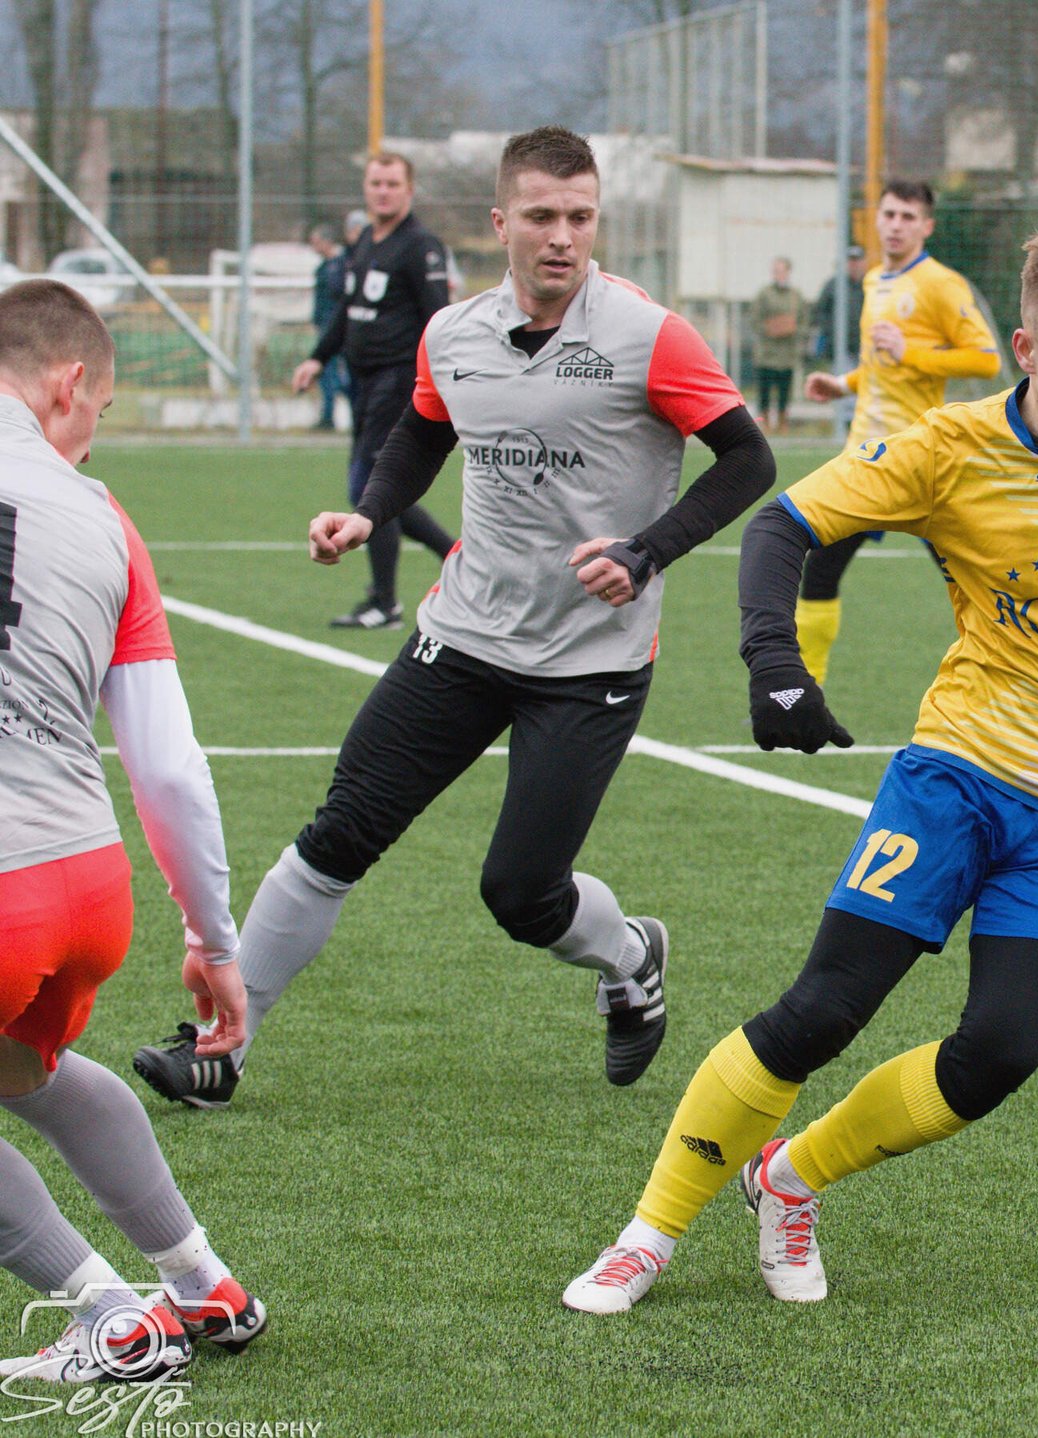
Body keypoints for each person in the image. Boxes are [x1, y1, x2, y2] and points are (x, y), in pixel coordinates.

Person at [561, 224, 1038, 1315]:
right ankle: (647, 1235)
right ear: (1025, 349)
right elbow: (781, 528)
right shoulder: (950, 447)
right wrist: (775, 668)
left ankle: (790, 1178)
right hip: (959, 776)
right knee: (821, 1012)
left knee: (999, 1052)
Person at [132, 126, 775, 1109]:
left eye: (581, 217)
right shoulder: (453, 335)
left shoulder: (649, 335)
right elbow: (421, 434)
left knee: (521, 893)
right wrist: (369, 512)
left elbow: (748, 459)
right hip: (462, 636)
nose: (562, 236)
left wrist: (647, 551)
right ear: (500, 221)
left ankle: (630, 954)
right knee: (339, 833)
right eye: (542, 216)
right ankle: (222, 1046)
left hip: (589, 663)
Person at [0, 280, 265, 1382]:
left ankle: (110, 1315)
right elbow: (165, 765)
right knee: (26, 1069)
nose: (90, 436)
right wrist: (212, 939)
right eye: (100, 414)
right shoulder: (104, 516)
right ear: (69, 384)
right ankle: (203, 1283)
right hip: (84, 883)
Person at [796, 182, 1001, 683]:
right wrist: (843, 384)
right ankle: (803, 690)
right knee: (819, 570)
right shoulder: (874, 280)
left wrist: (912, 352)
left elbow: (986, 359)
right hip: (865, 458)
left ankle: (1005, 682)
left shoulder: (940, 284)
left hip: (920, 461)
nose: (895, 225)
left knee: (973, 585)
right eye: (888, 214)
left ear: (926, 226)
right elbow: (881, 364)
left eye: (908, 217)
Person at [292, 153, 456, 630]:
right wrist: (317, 357)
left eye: (392, 184)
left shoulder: (421, 246)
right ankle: (455, 557)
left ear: (409, 190)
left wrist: (442, 379)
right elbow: (348, 309)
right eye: (376, 183)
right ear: (366, 188)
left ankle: (385, 602)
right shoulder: (366, 239)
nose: (383, 191)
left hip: (399, 381)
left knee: (369, 488)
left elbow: (439, 320)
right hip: (363, 382)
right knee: (379, 490)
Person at [749, 257, 805, 433]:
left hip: (787, 353)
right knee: (764, 390)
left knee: (784, 391)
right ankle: (765, 421)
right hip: (767, 352)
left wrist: (793, 328)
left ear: (788, 272)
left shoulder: (795, 295)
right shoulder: (764, 294)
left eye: (782, 270)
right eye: (776, 271)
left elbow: (803, 320)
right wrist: (770, 328)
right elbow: (754, 319)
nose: (779, 274)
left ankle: (782, 422)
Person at [306, 223, 350, 431]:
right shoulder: (324, 267)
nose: (313, 246)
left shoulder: (339, 266)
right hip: (325, 326)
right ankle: (328, 416)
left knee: (334, 374)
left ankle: (332, 416)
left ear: (326, 241)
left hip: (336, 329)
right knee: (327, 374)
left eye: (316, 242)